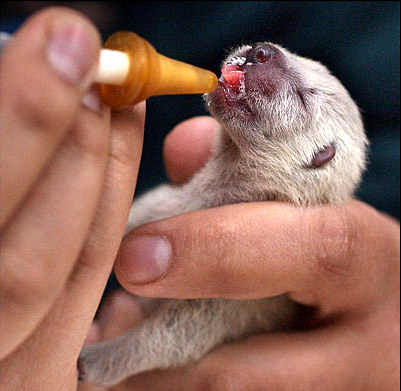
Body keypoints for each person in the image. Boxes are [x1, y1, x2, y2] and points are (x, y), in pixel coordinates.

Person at [1, 7, 399, 391]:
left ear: (316, 161)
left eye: (297, 95)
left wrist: (95, 362)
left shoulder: (264, 283)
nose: (264, 54)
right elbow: (120, 230)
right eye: (284, 55)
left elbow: (177, 336)